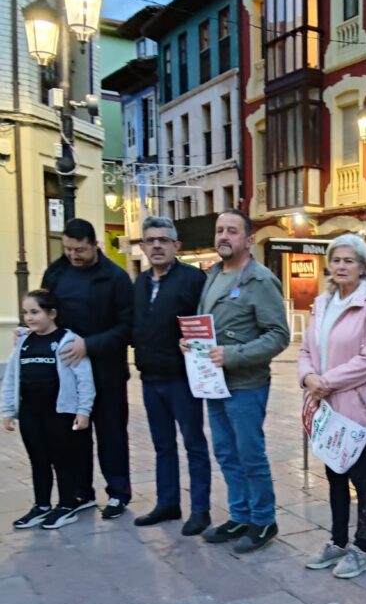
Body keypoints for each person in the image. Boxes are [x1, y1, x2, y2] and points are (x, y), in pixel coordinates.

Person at [191, 208, 289, 553]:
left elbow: (278, 335)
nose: (223, 236)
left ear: (249, 240)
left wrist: (233, 354)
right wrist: (192, 342)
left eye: (232, 231)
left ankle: (264, 520)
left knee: (250, 454)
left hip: (246, 384)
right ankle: (240, 515)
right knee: (226, 453)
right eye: (220, 230)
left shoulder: (260, 280)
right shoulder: (212, 275)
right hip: (213, 382)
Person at [298, 234, 366, 578]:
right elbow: (306, 350)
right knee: (333, 474)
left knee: (360, 477)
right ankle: (337, 542)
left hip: (357, 405)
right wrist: (308, 377)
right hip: (326, 404)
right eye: (336, 260)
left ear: (363, 267)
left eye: (348, 260)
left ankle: (362, 549)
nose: (341, 266)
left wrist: (327, 381)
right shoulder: (323, 302)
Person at [42, 217, 133, 519]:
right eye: (68, 249)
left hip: (107, 372)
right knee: (74, 435)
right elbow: (45, 313)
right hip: (69, 372)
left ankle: (118, 493)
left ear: (95, 244)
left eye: (79, 250)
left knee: (112, 435)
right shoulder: (55, 273)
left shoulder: (116, 277)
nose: (73, 255)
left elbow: (128, 327)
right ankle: (82, 492)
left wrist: (89, 345)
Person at [133, 216, 212, 536]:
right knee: (162, 445)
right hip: (150, 377)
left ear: (176, 245)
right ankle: (167, 503)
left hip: (183, 379)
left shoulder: (193, 279)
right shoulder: (140, 282)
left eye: (163, 240)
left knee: (194, 445)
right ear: (142, 246)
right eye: (150, 240)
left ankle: (200, 510)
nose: (156, 245)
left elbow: (207, 323)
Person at [2, 289, 96, 530]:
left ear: (52, 313)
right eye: (25, 313)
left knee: (62, 460)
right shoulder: (24, 342)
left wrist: (83, 411)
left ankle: (66, 505)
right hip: (30, 413)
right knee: (38, 459)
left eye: (35, 312)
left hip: (59, 413)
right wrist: (8, 410)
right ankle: (41, 505)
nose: (29, 318)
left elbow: (84, 379)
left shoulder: (68, 340)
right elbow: (11, 377)